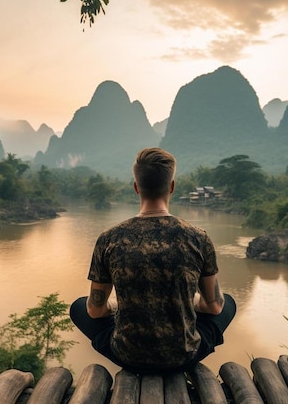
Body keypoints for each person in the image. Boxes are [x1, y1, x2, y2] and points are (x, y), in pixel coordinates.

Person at [69, 147, 236, 374]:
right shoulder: (198, 237)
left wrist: (120, 306)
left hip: (128, 355)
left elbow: (95, 311)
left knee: (79, 306)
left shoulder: (109, 239)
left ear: (136, 188)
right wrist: (189, 301)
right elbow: (214, 306)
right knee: (227, 302)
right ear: (172, 187)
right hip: (184, 355)